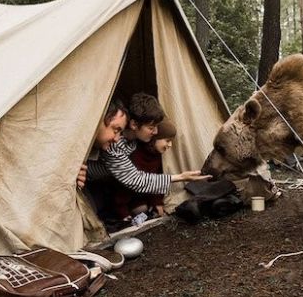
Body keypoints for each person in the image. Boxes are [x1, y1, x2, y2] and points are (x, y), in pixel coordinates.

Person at [83, 93, 209, 224]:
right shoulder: (114, 145)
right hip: (89, 181)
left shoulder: (135, 139)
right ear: (134, 125)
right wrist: (181, 177)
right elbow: (135, 179)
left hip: (110, 181)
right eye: (151, 128)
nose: (155, 132)